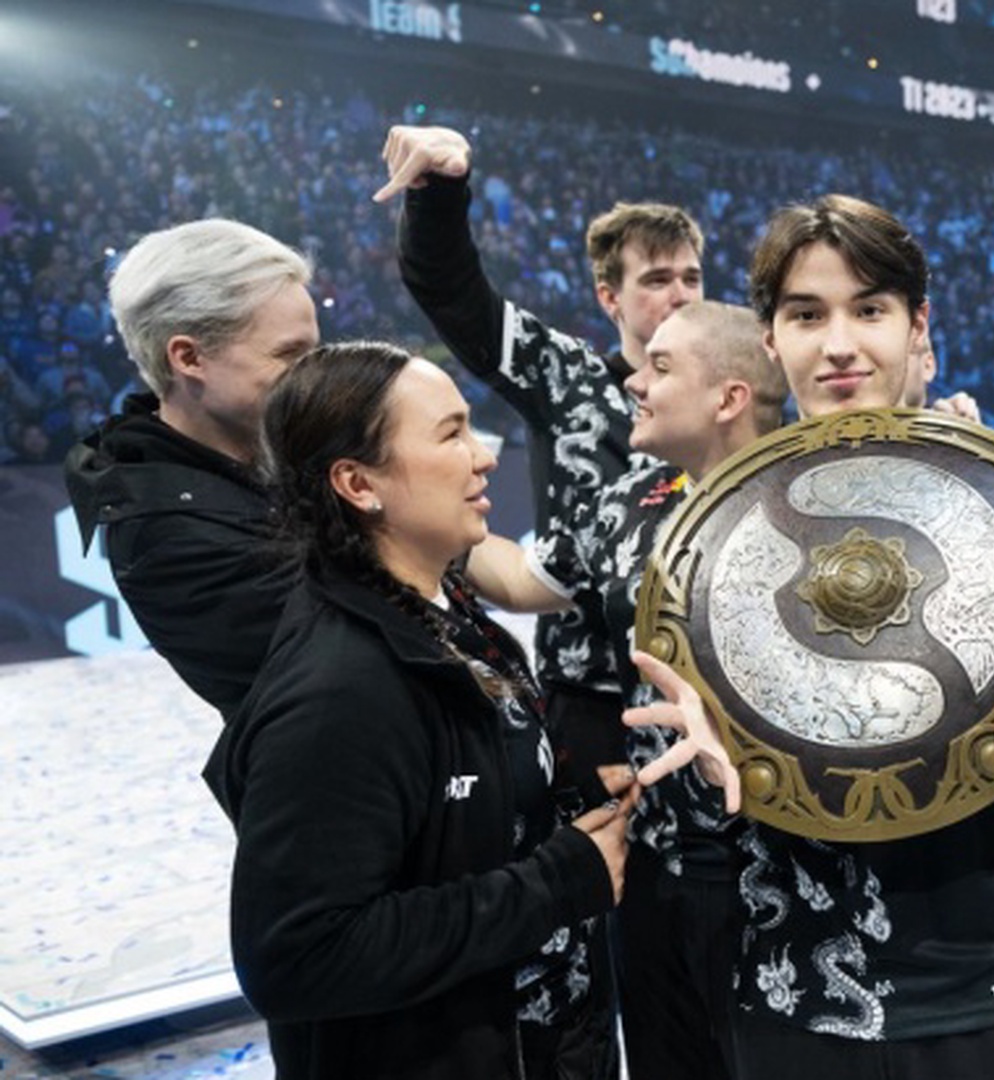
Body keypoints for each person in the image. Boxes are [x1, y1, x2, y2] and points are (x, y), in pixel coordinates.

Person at [640, 194, 994, 1079]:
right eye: (806, 315)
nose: (839, 344)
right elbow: (703, 812)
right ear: (770, 338)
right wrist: (707, 781)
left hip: (992, 992)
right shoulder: (711, 538)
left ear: (916, 326)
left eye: (869, 310)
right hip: (795, 1000)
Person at [202, 341, 727, 1079]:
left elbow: (446, 825)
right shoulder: (338, 690)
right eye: (451, 434)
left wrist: (557, 805)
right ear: (358, 483)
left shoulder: (441, 611)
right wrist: (553, 884)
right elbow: (297, 956)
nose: (483, 457)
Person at [467, 300, 790, 1080]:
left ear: (729, 397)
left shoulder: (812, 495)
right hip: (655, 861)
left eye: (660, 368)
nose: (634, 384)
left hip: (785, 868)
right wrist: (427, 521)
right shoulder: (627, 500)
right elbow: (519, 580)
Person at [378, 124, 705, 797]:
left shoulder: (735, 387)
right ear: (609, 297)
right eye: (656, 279)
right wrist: (439, 192)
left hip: (706, 691)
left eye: (691, 277)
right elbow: (452, 291)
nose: (680, 294)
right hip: (589, 696)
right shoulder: (567, 377)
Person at [63, 218, 319, 719]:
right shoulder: (166, 539)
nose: (314, 375)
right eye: (290, 354)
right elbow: (359, 657)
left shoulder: (293, 443)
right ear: (189, 357)